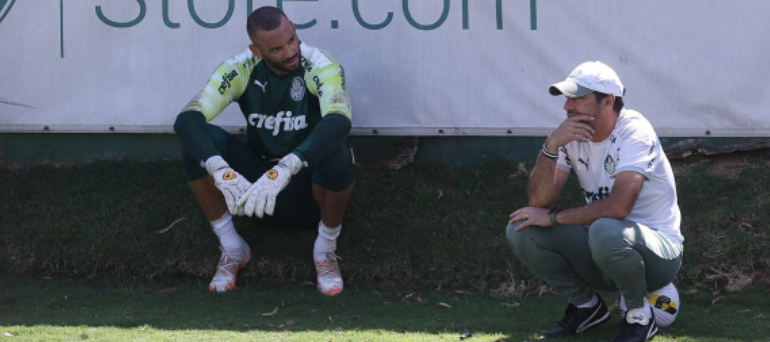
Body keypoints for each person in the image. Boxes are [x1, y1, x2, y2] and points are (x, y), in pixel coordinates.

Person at [173, 6, 355, 296]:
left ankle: (326, 250)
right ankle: (232, 246)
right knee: (200, 143)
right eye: (276, 49)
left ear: (294, 28)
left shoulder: (320, 64)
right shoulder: (240, 67)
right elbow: (188, 119)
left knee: (339, 155)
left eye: (292, 40)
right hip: (254, 187)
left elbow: (339, 120)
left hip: (305, 184)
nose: (290, 52)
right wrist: (219, 169)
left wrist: (288, 167)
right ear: (256, 51)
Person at [505, 61, 684, 342]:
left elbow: (618, 208)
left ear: (608, 101)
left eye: (578, 98)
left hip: (660, 257)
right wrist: (551, 146)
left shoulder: (635, 130)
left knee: (604, 228)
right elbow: (539, 201)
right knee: (523, 228)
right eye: (567, 98)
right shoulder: (571, 133)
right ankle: (587, 308)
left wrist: (553, 218)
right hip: (604, 247)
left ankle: (639, 315)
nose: (567, 106)